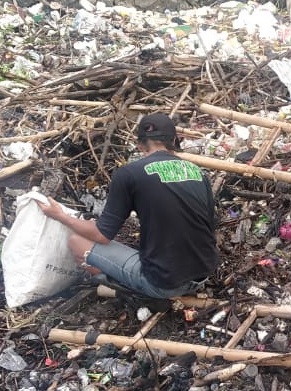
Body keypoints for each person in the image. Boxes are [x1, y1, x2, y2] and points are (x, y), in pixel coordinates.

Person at [37, 113, 219, 301]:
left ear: (140, 144)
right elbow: (211, 228)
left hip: (163, 284)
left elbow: (102, 235)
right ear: (174, 140)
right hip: (203, 274)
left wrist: (60, 216)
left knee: (77, 241)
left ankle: (124, 287)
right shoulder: (198, 172)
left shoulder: (129, 174)